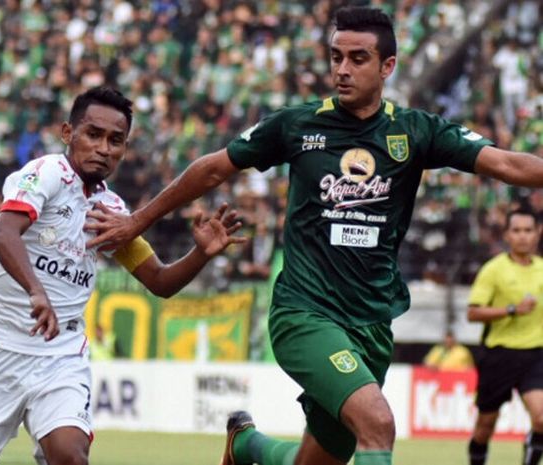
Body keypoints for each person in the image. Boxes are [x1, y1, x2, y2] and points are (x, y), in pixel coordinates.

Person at [83, 7, 543, 465]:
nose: (342, 70)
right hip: (304, 313)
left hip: (370, 325)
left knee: (316, 462)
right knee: (378, 424)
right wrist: (136, 221)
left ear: (388, 66)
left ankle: (244, 446)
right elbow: (211, 169)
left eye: (358, 58)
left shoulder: (415, 131)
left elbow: (506, 164)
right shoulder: (298, 125)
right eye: (335, 57)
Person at [0, 86, 245, 465]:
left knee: (70, 454)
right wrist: (36, 292)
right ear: (68, 133)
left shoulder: (112, 212)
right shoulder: (47, 173)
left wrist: (200, 254)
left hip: (60, 356)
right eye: (93, 134)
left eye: (116, 140)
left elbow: (160, 282)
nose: (104, 147)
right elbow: (2, 234)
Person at [466, 208, 543, 465]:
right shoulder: (493, 270)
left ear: (537, 233)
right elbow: (473, 313)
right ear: (507, 235)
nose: (523, 236)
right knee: (485, 426)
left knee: (542, 418)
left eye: (528, 230)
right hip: (499, 355)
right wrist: (512, 310)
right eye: (517, 231)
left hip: (535, 355)